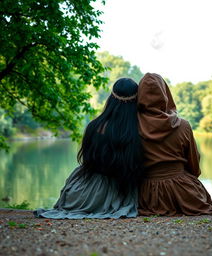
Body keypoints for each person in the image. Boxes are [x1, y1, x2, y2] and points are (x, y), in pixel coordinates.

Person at [34, 78, 144, 219]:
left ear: (111, 98)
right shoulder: (138, 131)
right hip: (119, 191)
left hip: (82, 193)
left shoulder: (94, 126)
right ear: (136, 100)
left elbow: (88, 161)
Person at [137, 73, 212, 216]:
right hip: (184, 192)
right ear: (165, 94)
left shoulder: (132, 126)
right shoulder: (183, 126)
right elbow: (194, 165)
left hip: (147, 195)